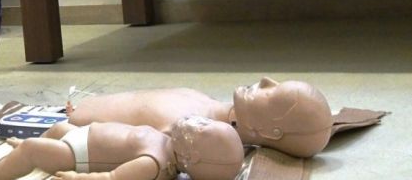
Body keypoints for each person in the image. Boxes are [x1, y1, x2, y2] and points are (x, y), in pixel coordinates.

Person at [66, 77, 333, 158]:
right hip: (84, 108)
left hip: (77, 125)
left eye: (274, 94)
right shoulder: (208, 104)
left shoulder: (188, 129)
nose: (265, 80)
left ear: (269, 132)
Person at [0, 116, 244, 180]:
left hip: (78, 155)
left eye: (200, 128)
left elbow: (112, 177)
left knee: (33, 148)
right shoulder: (167, 141)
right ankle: (29, 149)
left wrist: (78, 177)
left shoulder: (153, 164)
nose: (195, 120)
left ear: (190, 156)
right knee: (57, 128)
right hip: (82, 135)